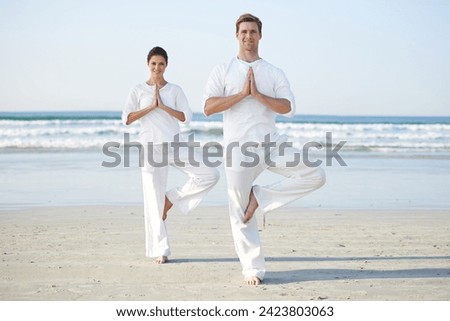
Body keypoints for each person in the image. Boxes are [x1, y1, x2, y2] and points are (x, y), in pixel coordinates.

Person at [203, 14, 326, 285]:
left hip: (271, 143)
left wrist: (258, 95)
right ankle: (253, 269)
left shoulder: (273, 72)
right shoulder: (222, 69)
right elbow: (208, 108)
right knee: (239, 211)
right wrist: (241, 95)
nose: (248, 36)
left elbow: (289, 108)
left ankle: (261, 195)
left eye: (253, 32)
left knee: (316, 175)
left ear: (260, 36)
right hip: (238, 149)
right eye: (244, 31)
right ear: (236, 35)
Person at [123, 46, 219, 264]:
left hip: (174, 145)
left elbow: (186, 117)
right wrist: (150, 107)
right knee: (152, 200)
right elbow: (127, 118)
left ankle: (171, 198)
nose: (157, 68)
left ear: (167, 66)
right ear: (148, 65)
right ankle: (161, 249)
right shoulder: (137, 90)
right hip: (150, 149)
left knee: (210, 175)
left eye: (161, 64)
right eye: (153, 64)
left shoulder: (175, 90)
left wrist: (163, 106)